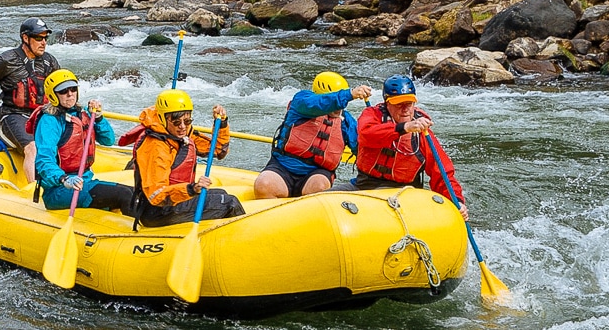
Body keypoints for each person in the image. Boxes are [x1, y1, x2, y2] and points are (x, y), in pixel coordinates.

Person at [340, 75, 469, 220]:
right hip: (364, 184)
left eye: (409, 103)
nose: (405, 109)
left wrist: (456, 200)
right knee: (322, 196)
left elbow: (442, 171)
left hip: (403, 193)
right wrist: (404, 128)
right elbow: (366, 135)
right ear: (387, 103)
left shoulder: (422, 133)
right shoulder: (372, 115)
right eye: (399, 104)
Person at [125, 89, 245, 227]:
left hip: (178, 200)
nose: (182, 127)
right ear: (163, 119)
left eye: (187, 121)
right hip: (159, 211)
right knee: (230, 203)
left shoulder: (182, 134)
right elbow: (156, 196)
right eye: (177, 122)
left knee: (222, 193)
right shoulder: (156, 148)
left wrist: (222, 124)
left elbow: (218, 151)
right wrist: (191, 189)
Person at [0, 17, 59, 184]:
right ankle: (33, 192)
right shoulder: (5, 60)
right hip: (13, 115)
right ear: (25, 38)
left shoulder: (49, 61)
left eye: (45, 38)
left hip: (41, 115)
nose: (43, 42)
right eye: (38, 38)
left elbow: (62, 89)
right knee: (33, 148)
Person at [29, 70, 135, 214]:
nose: (70, 94)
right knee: (124, 194)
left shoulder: (83, 113)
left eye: (73, 89)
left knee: (133, 192)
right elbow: (43, 160)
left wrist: (98, 118)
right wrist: (63, 179)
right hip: (59, 190)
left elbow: (108, 140)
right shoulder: (49, 121)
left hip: (85, 181)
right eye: (63, 91)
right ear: (53, 95)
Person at [253, 72, 372, 199]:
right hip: (283, 166)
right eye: (338, 101)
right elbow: (318, 103)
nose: (340, 106)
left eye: (343, 103)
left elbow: (362, 151)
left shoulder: (347, 122)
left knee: (319, 187)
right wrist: (348, 94)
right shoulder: (302, 102)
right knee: (264, 185)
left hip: (317, 172)